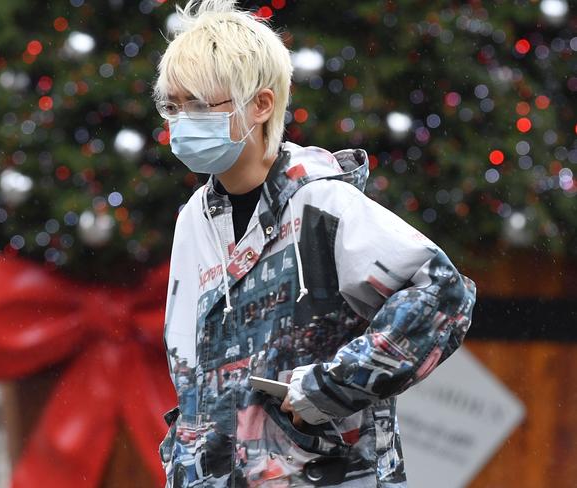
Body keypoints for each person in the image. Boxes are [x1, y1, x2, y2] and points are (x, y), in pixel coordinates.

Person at [156, 1, 477, 486]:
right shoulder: (193, 222)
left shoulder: (322, 203)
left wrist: (327, 390)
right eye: (172, 106)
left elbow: (442, 296)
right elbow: (191, 379)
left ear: (261, 104)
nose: (182, 122)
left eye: (200, 105)